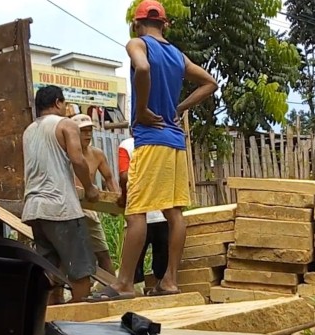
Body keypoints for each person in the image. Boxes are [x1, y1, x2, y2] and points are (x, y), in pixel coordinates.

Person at [85, 0, 218, 301]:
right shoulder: (177, 55)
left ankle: (123, 284)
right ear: (165, 24)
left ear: (136, 23)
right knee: (174, 213)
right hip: (175, 142)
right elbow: (210, 83)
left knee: (136, 213)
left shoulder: (137, 44)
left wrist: (143, 109)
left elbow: (142, 67)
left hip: (150, 138)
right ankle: (169, 280)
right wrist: (178, 108)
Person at [21, 85, 99, 303]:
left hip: (35, 209)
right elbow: (78, 160)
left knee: (49, 271)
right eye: (64, 103)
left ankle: (45, 320)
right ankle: (80, 325)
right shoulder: (66, 125)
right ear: (57, 103)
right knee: (80, 271)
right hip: (61, 208)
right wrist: (90, 188)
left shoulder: (28, 131)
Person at [117, 136, 169, 293]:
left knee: (135, 259)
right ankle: (161, 289)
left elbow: (124, 176)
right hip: (163, 211)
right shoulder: (162, 141)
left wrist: (124, 197)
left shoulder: (126, 145)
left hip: (138, 213)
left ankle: (133, 290)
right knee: (162, 257)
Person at [71, 114, 120, 276]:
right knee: (68, 254)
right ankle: (58, 296)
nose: (87, 134)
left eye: (89, 130)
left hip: (90, 209)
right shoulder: (66, 154)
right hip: (70, 208)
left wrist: (117, 201)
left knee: (102, 252)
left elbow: (109, 178)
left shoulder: (97, 154)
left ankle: (114, 288)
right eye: (83, 131)